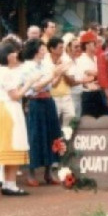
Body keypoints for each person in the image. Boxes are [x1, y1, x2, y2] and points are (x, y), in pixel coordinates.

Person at [0, 39, 32, 195]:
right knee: (13, 144)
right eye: (13, 52)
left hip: (6, 109)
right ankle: (10, 184)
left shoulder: (4, 71)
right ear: (8, 55)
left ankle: (8, 183)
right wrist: (29, 84)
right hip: (9, 110)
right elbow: (15, 95)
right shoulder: (5, 73)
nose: (16, 54)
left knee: (12, 145)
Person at [22, 39, 65, 186]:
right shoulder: (27, 67)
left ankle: (49, 172)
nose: (44, 51)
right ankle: (31, 173)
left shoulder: (45, 65)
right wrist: (53, 74)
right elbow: (36, 87)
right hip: (35, 101)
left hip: (48, 101)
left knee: (52, 135)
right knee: (35, 136)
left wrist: (58, 73)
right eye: (42, 48)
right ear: (35, 50)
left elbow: (51, 84)